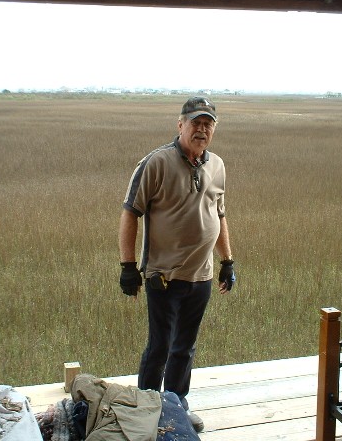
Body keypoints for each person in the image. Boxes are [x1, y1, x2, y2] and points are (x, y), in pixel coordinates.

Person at [118, 96, 236, 433]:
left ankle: (176, 406)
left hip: (201, 276)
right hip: (164, 276)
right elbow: (130, 213)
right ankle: (146, 410)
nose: (202, 129)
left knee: (185, 347)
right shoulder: (155, 163)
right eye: (195, 122)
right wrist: (128, 266)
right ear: (180, 124)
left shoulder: (217, 165)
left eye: (208, 124)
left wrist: (227, 261)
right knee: (160, 346)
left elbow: (219, 215)